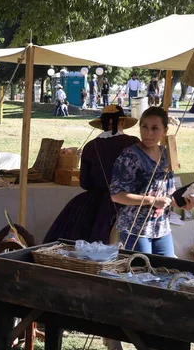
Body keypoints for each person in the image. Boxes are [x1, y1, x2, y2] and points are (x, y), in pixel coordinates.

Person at [44, 104, 140, 245]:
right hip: (124, 200)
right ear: (122, 122)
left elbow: (85, 183)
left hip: (93, 202)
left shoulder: (91, 146)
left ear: (102, 124)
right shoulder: (133, 143)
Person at [110, 106, 194, 255]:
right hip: (135, 228)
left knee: (167, 269)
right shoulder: (129, 156)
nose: (148, 133)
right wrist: (152, 200)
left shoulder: (166, 154)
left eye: (154, 128)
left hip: (161, 227)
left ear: (165, 130)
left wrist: (185, 203)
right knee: (142, 272)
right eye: (144, 127)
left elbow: (168, 194)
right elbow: (116, 195)